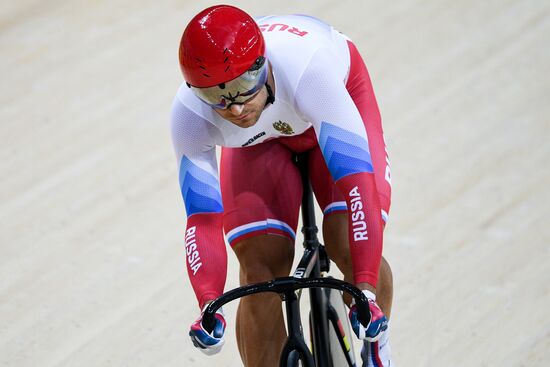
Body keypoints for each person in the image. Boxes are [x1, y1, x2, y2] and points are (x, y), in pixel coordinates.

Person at [171, 5, 394, 367]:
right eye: (215, 97)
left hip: (331, 105)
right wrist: (208, 303)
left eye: (244, 86)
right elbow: (203, 218)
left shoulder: (310, 72)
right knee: (259, 272)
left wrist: (366, 288)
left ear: (263, 65)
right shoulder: (189, 116)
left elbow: (357, 185)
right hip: (260, 140)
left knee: (345, 241)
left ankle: (378, 354)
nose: (235, 108)